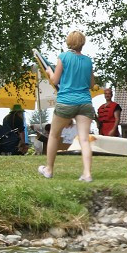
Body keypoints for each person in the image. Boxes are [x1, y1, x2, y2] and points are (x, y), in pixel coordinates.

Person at [38, 30, 96, 182]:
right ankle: (87, 174)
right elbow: (91, 84)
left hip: (66, 101)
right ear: (82, 44)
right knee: (84, 139)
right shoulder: (88, 61)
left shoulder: (63, 57)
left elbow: (55, 81)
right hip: (85, 103)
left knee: (54, 135)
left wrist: (50, 71)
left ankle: (49, 170)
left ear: (68, 42)